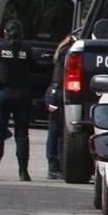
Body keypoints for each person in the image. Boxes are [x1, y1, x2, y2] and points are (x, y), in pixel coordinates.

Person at [0, 19, 33, 181]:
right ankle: (23, 172)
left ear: (5, 32)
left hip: (2, 95)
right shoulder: (27, 50)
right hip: (22, 95)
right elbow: (33, 69)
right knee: (21, 134)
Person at [45, 33, 76, 180]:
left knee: (55, 131)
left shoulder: (63, 49)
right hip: (58, 93)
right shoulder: (69, 51)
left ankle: (54, 165)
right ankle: (55, 166)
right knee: (57, 132)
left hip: (54, 92)